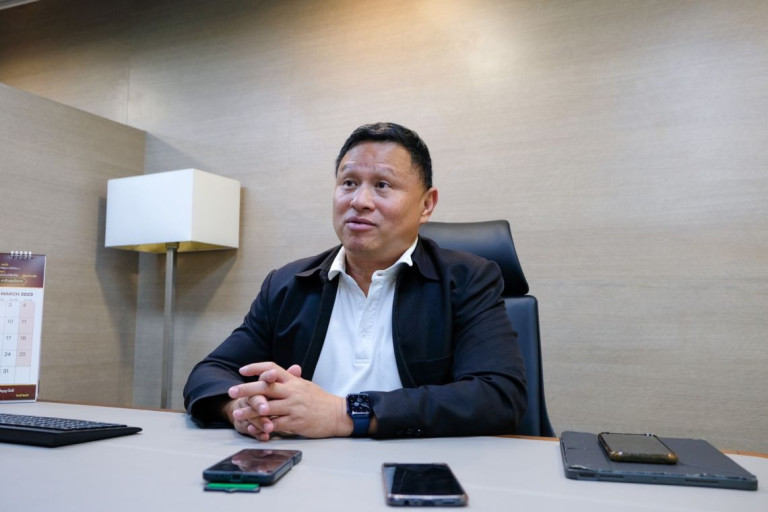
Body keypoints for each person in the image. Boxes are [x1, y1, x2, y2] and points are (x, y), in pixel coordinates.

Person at [183, 122, 527, 440]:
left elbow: (498, 396)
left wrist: (343, 413)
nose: (359, 201)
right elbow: (212, 371)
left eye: (382, 185)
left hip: (416, 467)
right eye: (348, 183)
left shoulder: (467, 279)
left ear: (426, 204)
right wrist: (240, 408)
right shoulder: (288, 284)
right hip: (307, 466)